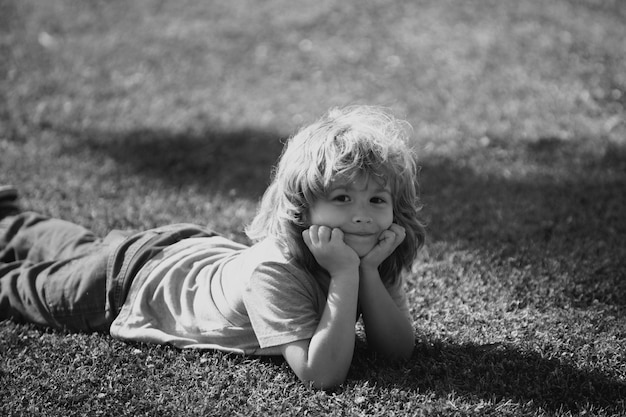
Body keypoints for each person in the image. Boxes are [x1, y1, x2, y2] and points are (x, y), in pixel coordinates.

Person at [0, 105, 426, 389]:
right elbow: (321, 375)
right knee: (22, 288)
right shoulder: (276, 270)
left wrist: (367, 272)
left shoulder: (373, 253)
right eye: (341, 199)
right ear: (302, 208)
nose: (362, 216)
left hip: (182, 250)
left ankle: (11, 219)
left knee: (76, 244)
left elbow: (397, 352)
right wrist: (346, 274)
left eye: (376, 200)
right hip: (127, 285)